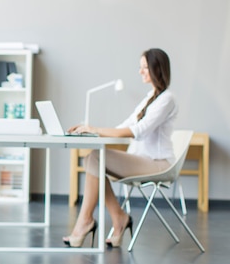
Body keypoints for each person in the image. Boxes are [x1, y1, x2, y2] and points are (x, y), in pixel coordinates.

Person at [63, 48, 178, 248]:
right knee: (92, 159)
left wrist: (96, 129)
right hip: (143, 160)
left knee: (95, 158)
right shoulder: (151, 97)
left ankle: (87, 221)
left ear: (157, 69)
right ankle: (118, 218)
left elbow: (138, 130)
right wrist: (90, 131)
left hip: (158, 164)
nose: (141, 72)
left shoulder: (167, 99)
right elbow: (125, 125)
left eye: (145, 68)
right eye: (140, 67)